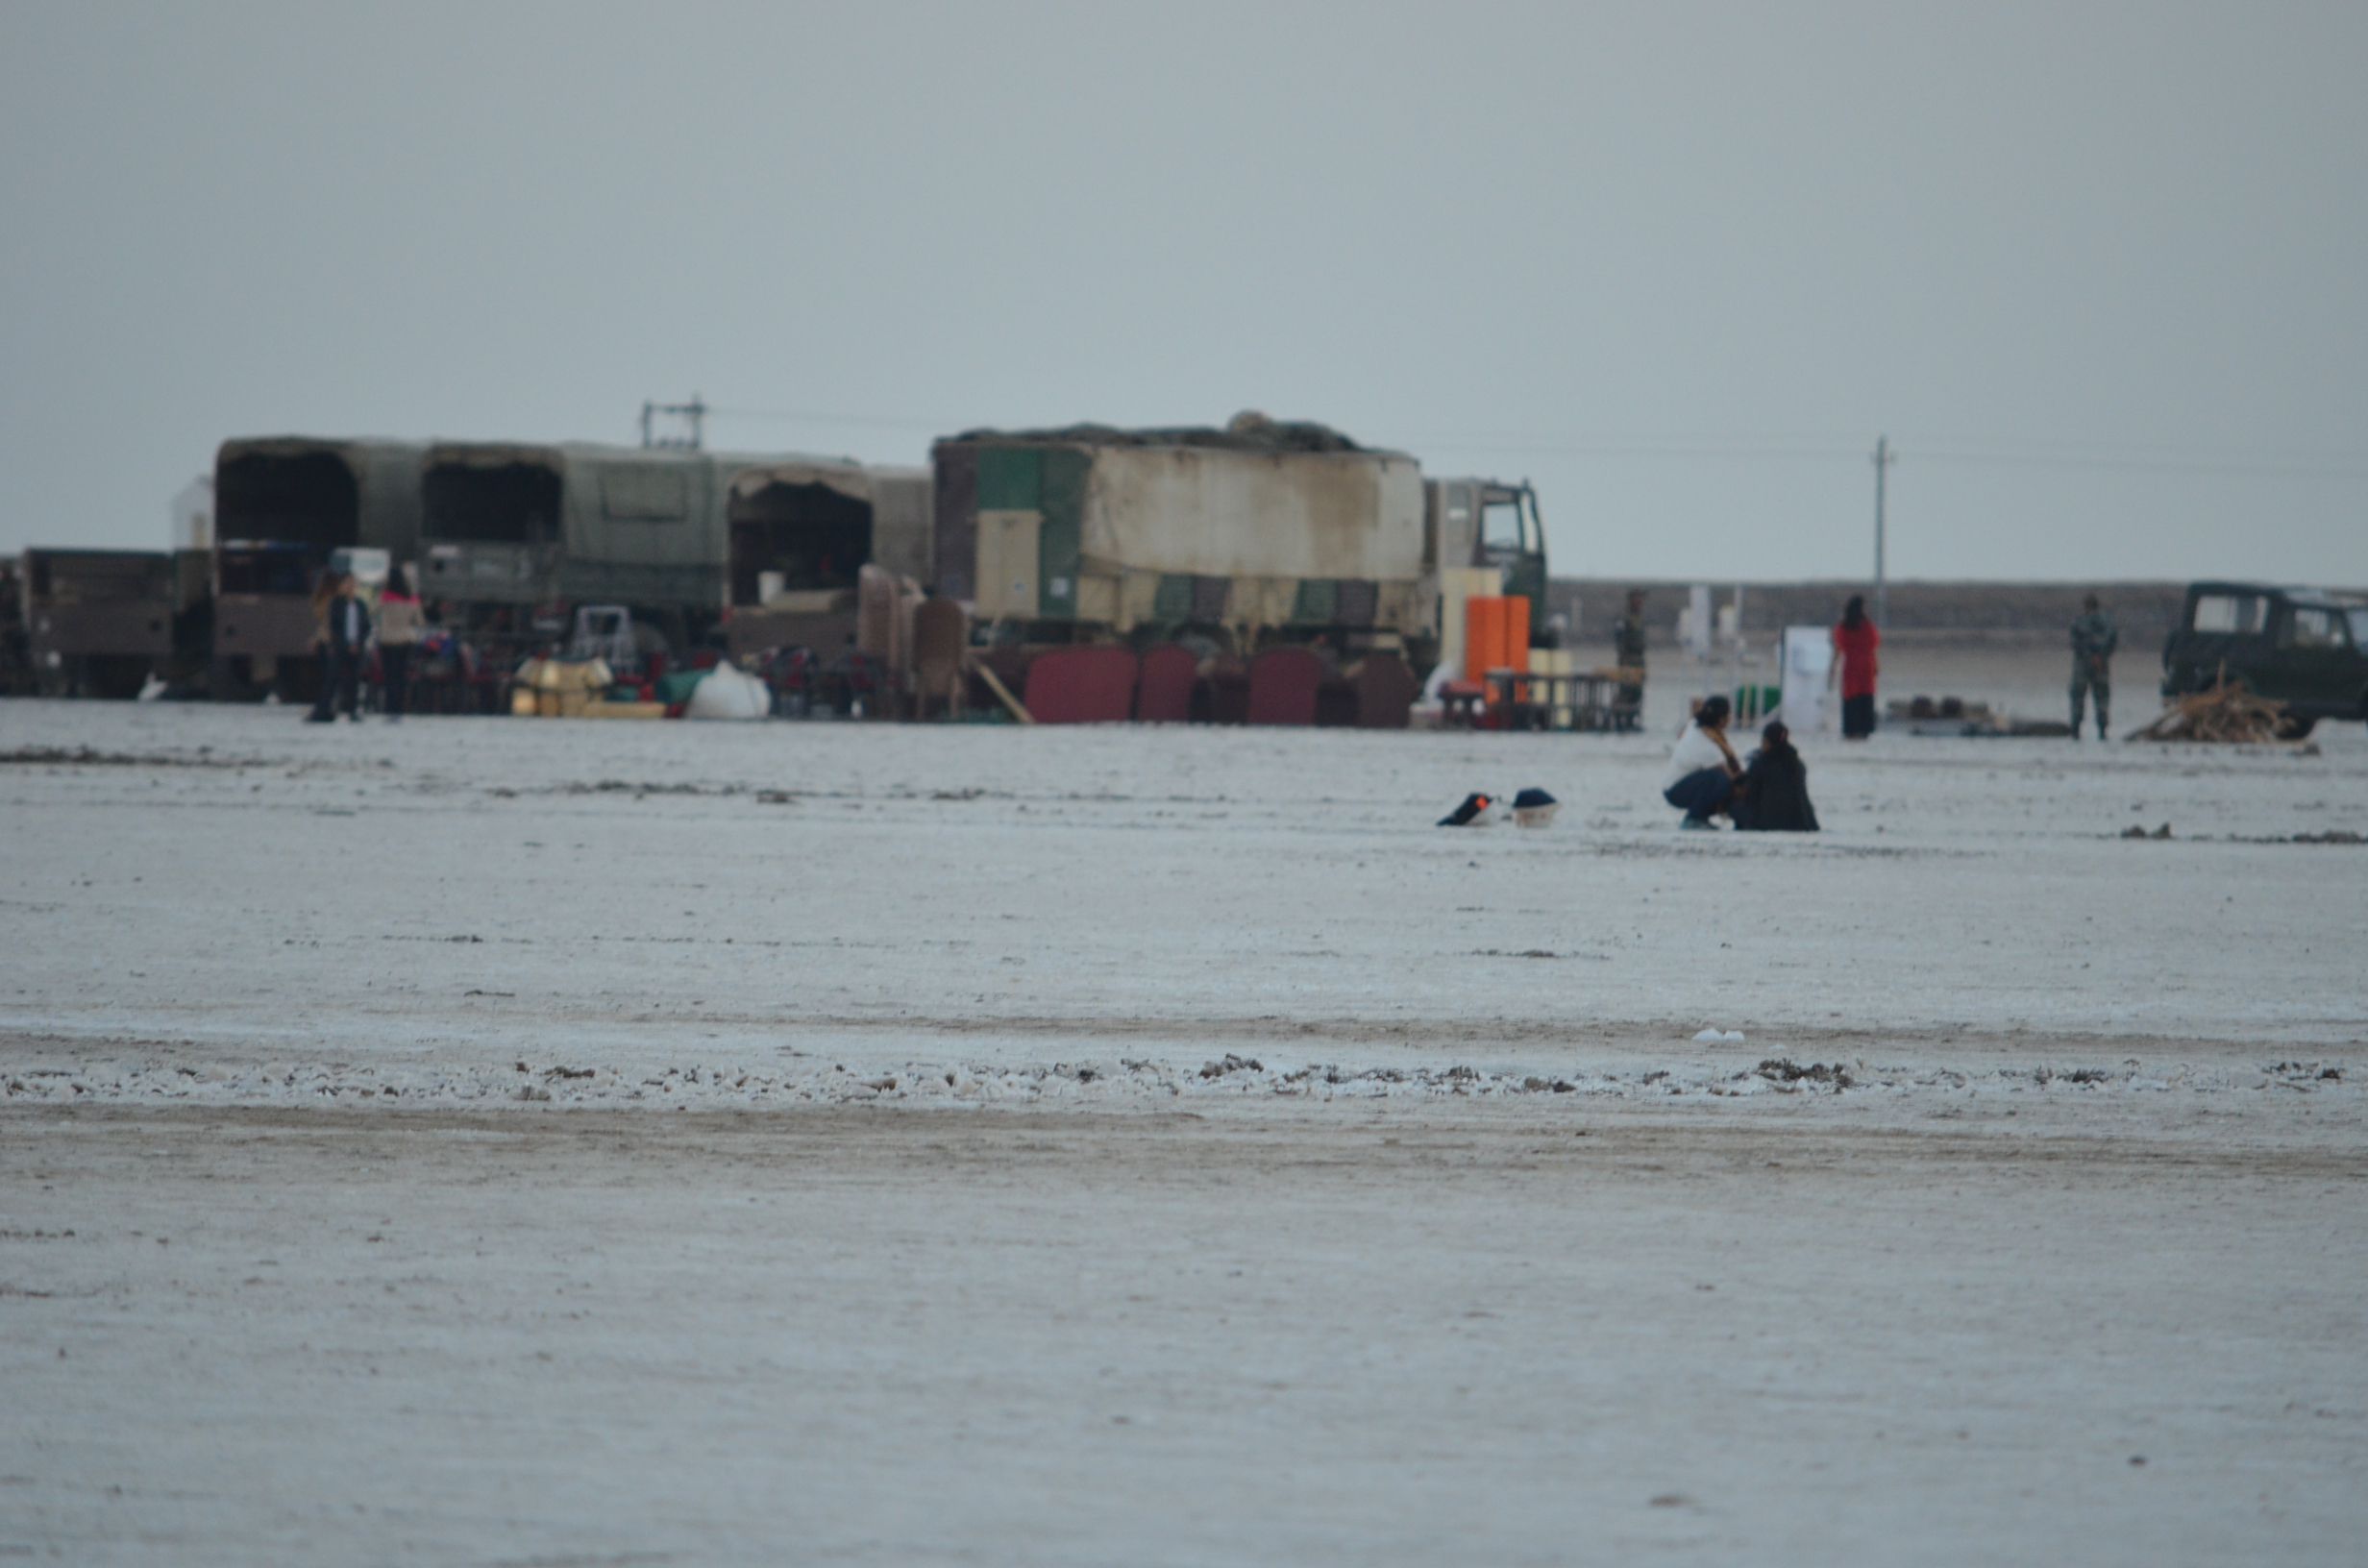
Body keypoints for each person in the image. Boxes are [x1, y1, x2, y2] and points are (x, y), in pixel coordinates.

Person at [1663, 695, 1742, 829]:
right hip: (1675, 791)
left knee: (1718, 781)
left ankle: (1700, 817)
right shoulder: (1707, 746)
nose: (1730, 718)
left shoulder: (1696, 726)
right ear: (1721, 720)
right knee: (1722, 782)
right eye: (1728, 715)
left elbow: (1683, 731)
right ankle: (1694, 818)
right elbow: (1729, 777)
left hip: (1675, 785)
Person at [1732, 721, 1819, 832]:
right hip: (1800, 821)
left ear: (1767, 741)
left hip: (1767, 822)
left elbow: (1752, 795)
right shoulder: (1797, 764)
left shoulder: (1761, 763)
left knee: (1734, 806)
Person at [314, 573, 371, 723]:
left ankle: (352, 710)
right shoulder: (337, 604)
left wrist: (358, 643)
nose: (350, 586)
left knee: (354, 681)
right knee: (331, 679)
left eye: (353, 583)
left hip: (357, 647)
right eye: (347, 583)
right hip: (340, 647)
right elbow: (335, 626)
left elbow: (366, 626)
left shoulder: (360, 604)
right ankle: (323, 710)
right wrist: (343, 644)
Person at [1830, 595, 1881, 740]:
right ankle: (1864, 728)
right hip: (1866, 664)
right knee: (1866, 695)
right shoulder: (1867, 626)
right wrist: (1876, 665)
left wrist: (1833, 665)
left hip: (1851, 664)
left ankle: (1851, 729)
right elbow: (1873, 646)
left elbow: (1838, 647)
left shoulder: (1843, 627)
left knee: (1851, 696)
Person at [2069, 593, 2117, 740]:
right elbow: (2112, 640)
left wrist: (2090, 655)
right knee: (2102, 698)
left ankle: (2076, 730)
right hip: (2099, 664)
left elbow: (2074, 642)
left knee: (2078, 697)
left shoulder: (2079, 621)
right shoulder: (2107, 622)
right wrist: (2101, 655)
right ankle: (2102, 731)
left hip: (2084, 665)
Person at [377, 566, 422, 721]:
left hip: (387, 639)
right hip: (405, 639)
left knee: (389, 676)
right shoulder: (412, 599)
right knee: (401, 676)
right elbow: (419, 620)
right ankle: (399, 709)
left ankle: (389, 707)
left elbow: (375, 614)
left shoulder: (384, 598)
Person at [1612, 589, 1648, 728]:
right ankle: (1620, 720)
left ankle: (1632, 720)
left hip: (1639, 660)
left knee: (1637, 693)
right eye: (1637, 599)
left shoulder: (1639, 618)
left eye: (1641, 600)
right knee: (1625, 691)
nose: (1640, 603)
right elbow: (1619, 640)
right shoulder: (1624, 618)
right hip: (1628, 660)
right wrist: (1623, 660)